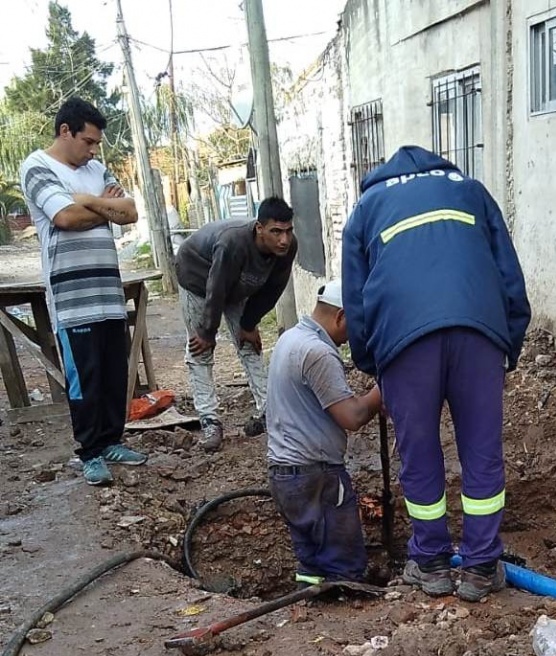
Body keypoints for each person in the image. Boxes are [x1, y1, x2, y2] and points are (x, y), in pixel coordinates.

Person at [342, 145, 532, 602]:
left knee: (421, 454)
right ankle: (481, 567)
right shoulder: (471, 192)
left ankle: (430, 564)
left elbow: (356, 300)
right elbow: (509, 274)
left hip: (404, 341)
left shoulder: (366, 210)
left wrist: (373, 362)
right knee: (482, 451)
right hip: (479, 331)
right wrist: (511, 342)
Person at [20, 97, 147, 486]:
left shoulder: (95, 170)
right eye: (88, 141)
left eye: (96, 144)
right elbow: (63, 217)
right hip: (73, 297)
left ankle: (111, 442)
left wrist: (89, 200)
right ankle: (89, 452)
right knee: (85, 378)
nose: (93, 150)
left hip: (107, 290)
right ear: (65, 131)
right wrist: (101, 208)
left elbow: (129, 213)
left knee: (112, 372)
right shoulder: (37, 167)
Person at [266, 280, 382, 585]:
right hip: (317, 475)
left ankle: (311, 615)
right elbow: (352, 416)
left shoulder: (289, 339)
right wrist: (383, 391)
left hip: (285, 475)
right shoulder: (318, 352)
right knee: (345, 565)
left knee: (311, 561)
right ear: (341, 316)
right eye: (354, 326)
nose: (353, 338)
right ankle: (348, 616)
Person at [174, 198, 297, 451]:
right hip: (198, 276)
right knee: (201, 349)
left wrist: (249, 323)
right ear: (259, 228)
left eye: (287, 231)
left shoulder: (287, 248)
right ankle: (210, 421)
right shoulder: (233, 242)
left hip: (235, 284)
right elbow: (215, 287)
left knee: (249, 342)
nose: (283, 239)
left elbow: (274, 288)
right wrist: (208, 331)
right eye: (276, 231)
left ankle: (269, 410)